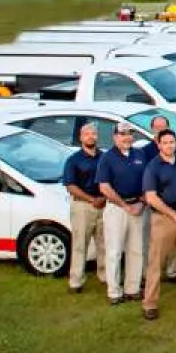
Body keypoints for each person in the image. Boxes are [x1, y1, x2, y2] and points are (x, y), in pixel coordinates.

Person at [140, 130, 176, 321]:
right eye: (165, 142)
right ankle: (150, 303)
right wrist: (173, 215)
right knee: (156, 262)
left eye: (172, 142)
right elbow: (151, 197)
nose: (169, 145)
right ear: (159, 145)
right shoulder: (153, 167)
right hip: (163, 219)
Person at [95, 125, 148, 306]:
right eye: (122, 134)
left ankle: (132, 289)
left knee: (136, 249)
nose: (127, 137)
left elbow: (147, 182)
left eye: (130, 134)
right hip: (117, 208)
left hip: (138, 206)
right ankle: (114, 291)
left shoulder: (139, 155)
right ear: (114, 137)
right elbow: (104, 187)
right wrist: (125, 205)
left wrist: (141, 202)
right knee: (114, 251)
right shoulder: (107, 158)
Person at [63, 123, 105, 295]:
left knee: (104, 243)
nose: (91, 136)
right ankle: (76, 280)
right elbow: (70, 186)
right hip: (82, 206)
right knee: (80, 244)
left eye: (93, 133)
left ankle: (105, 276)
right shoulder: (73, 160)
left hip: (103, 204)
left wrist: (102, 198)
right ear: (81, 137)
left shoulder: (104, 157)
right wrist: (91, 199)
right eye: (87, 134)